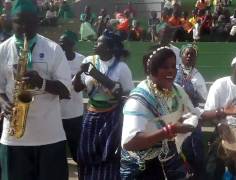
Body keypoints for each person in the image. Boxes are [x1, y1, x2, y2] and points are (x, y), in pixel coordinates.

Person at [0, 0, 72, 180]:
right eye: (19, 21)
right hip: (14, 138)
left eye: (29, 21)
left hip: (50, 137)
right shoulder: (3, 50)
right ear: (11, 21)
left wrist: (41, 82)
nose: (24, 26)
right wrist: (3, 103)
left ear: (38, 21)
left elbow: (66, 91)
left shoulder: (53, 49)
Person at [120, 46, 210, 179]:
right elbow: (130, 143)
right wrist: (170, 130)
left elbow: (195, 112)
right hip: (141, 167)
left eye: (173, 66)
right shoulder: (138, 100)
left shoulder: (176, 90)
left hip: (168, 159)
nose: (171, 71)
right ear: (152, 69)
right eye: (165, 67)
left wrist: (222, 112)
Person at [73, 30, 134, 180]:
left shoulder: (121, 67)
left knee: (108, 155)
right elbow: (77, 87)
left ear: (109, 48)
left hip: (112, 117)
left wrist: (95, 74)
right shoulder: (89, 60)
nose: (95, 43)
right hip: (92, 115)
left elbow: (127, 95)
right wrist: (79, 72)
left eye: (99, 42)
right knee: (85, 153)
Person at [174, 44, 207, 179]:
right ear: (181, 55)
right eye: (186, 53)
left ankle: (195, 174)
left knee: (195, 147)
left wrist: (192, 93)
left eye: (192, 54)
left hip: (191, 114)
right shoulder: (173, 71)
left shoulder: (198, 76)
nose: (189, 56)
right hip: (174, 114)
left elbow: (204, 98)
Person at [59, 31, 85, 163]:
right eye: (60, 41)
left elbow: (81, 86)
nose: (61, 44)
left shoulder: (81, 60)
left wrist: (77, 77)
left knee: (77, 152)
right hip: (58, 113)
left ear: (72, 43)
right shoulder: (57, 59)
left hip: (75, 113)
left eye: (64, 41)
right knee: (58, 153)